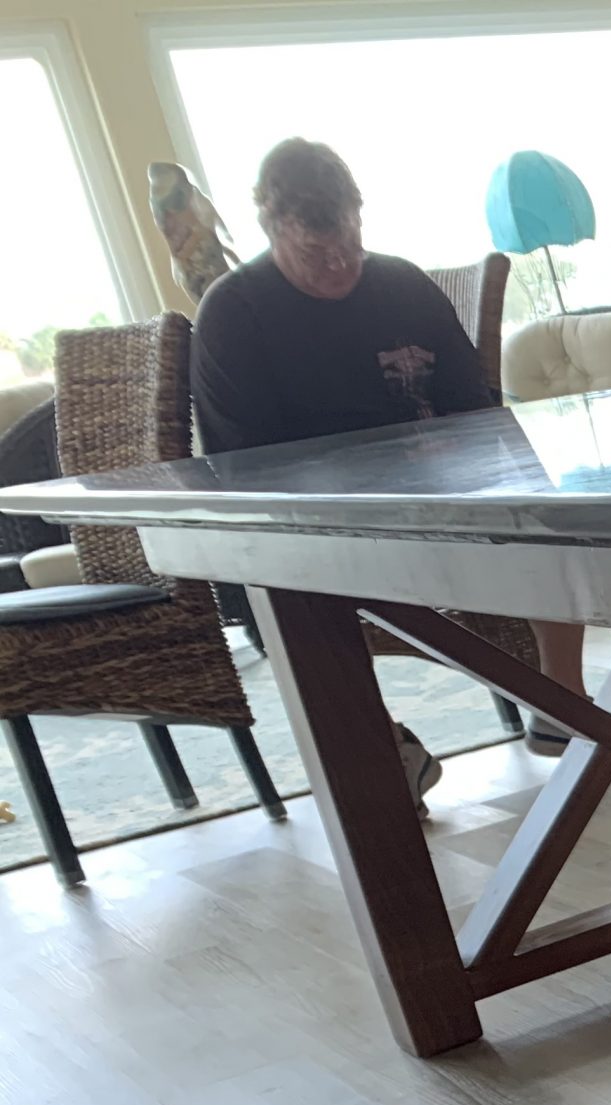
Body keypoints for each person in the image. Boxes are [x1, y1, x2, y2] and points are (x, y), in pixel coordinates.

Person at [193, 137, 588, 805]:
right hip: (316, 531)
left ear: (359, 215)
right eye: (315, 253)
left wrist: (473, 468)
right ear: (270, 227)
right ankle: (383, 747)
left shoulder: (403, 284)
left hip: (445, 503)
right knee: (270, 583)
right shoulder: (235, 312)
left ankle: (562, 704)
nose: (339, 263)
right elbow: (240, 468)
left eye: (349, 241)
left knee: (540, 500)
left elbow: (477, 412)